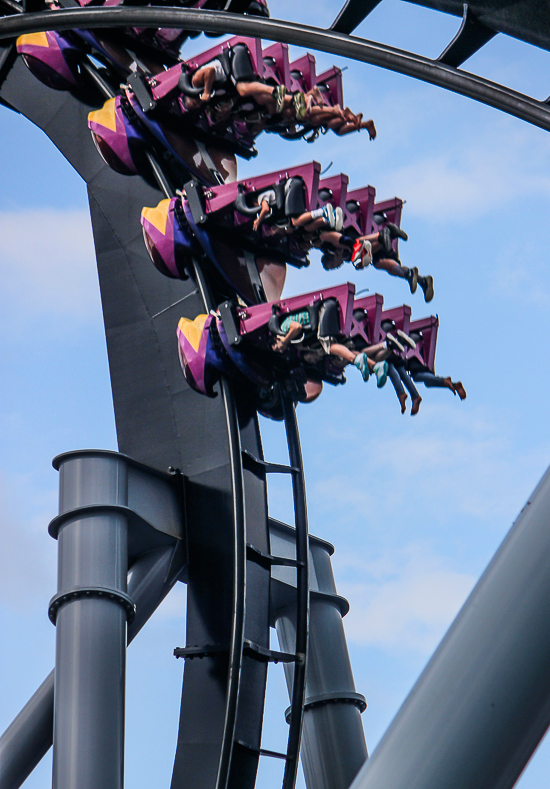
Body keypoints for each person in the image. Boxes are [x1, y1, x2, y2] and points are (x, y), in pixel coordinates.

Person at [271, 310, 389, 388]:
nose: (280, 349)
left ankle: (358, 360)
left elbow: (297, 327)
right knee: (345, 350)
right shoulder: (292, 338)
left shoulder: (283, 326)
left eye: (277, 348)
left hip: (321, 322)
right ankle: (375, 366)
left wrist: (284, 342)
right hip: (321, 324)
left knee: (329, 347)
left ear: (276, 339)